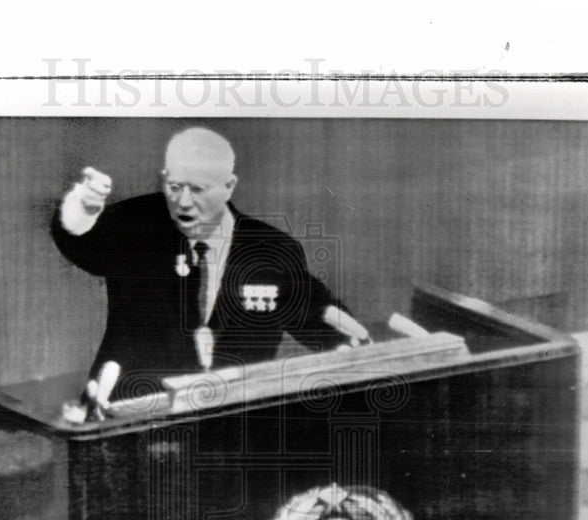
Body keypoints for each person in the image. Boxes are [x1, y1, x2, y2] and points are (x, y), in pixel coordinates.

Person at [51, 127, 368, 421]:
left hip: (231, 426)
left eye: (198, 189)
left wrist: (344, 343)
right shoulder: (136, 224)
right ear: (164, 178)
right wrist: (83, 208)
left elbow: (312, 309)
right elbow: (80, 242)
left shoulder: (270, 249)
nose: (183, 201)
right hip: (130, 417)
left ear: (228, 186)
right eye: (174, 187)